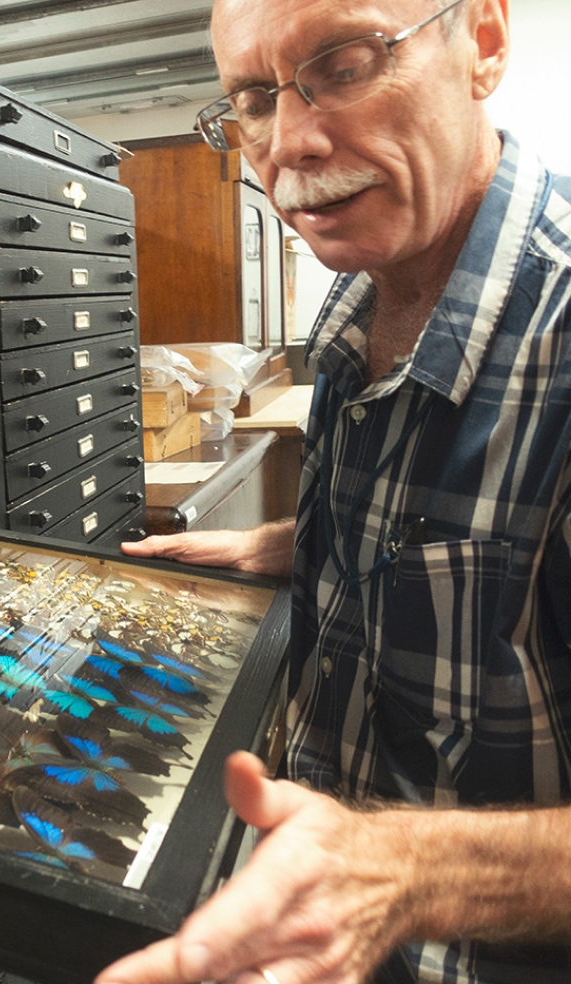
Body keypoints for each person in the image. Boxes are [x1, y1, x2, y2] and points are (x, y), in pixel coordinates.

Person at [94, 0, 571, 982]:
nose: (291, 143)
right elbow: (451, 524)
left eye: (346, 64)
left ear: (480, 42)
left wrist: (400, 872)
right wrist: (293, 542)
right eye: (253, 99)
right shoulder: (361, 286)